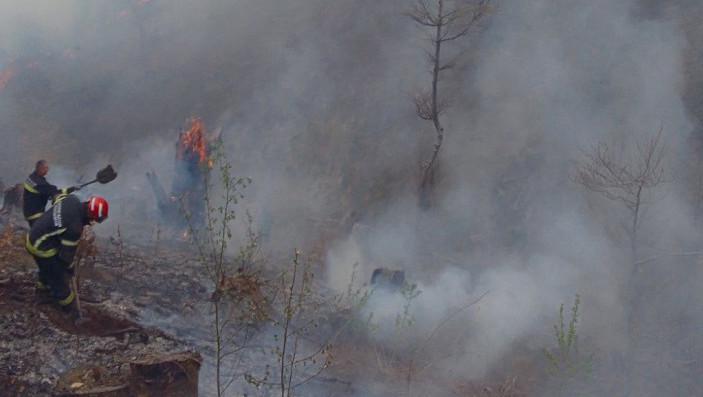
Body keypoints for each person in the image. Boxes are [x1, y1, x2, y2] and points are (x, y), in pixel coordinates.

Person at [25, 194, 108, 320]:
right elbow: (66, 256)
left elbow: (55, 198)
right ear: (91, 215)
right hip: (41, 246)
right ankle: (70, 311)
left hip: (34, 234)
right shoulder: (74, 227)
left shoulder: (71, 199)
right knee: (58, 276)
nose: (93, 222)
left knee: (47, 268)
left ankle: (42, 292)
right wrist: (70, 268)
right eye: (95, 219)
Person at [23, 160, 80, 227]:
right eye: (46, 168)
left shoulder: (31, 178)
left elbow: (47, 194)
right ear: (40, 168)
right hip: (35, 214)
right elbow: (55, 193)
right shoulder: (41, 184)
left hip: (28, 212)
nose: (47, 170)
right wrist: (73, 189)